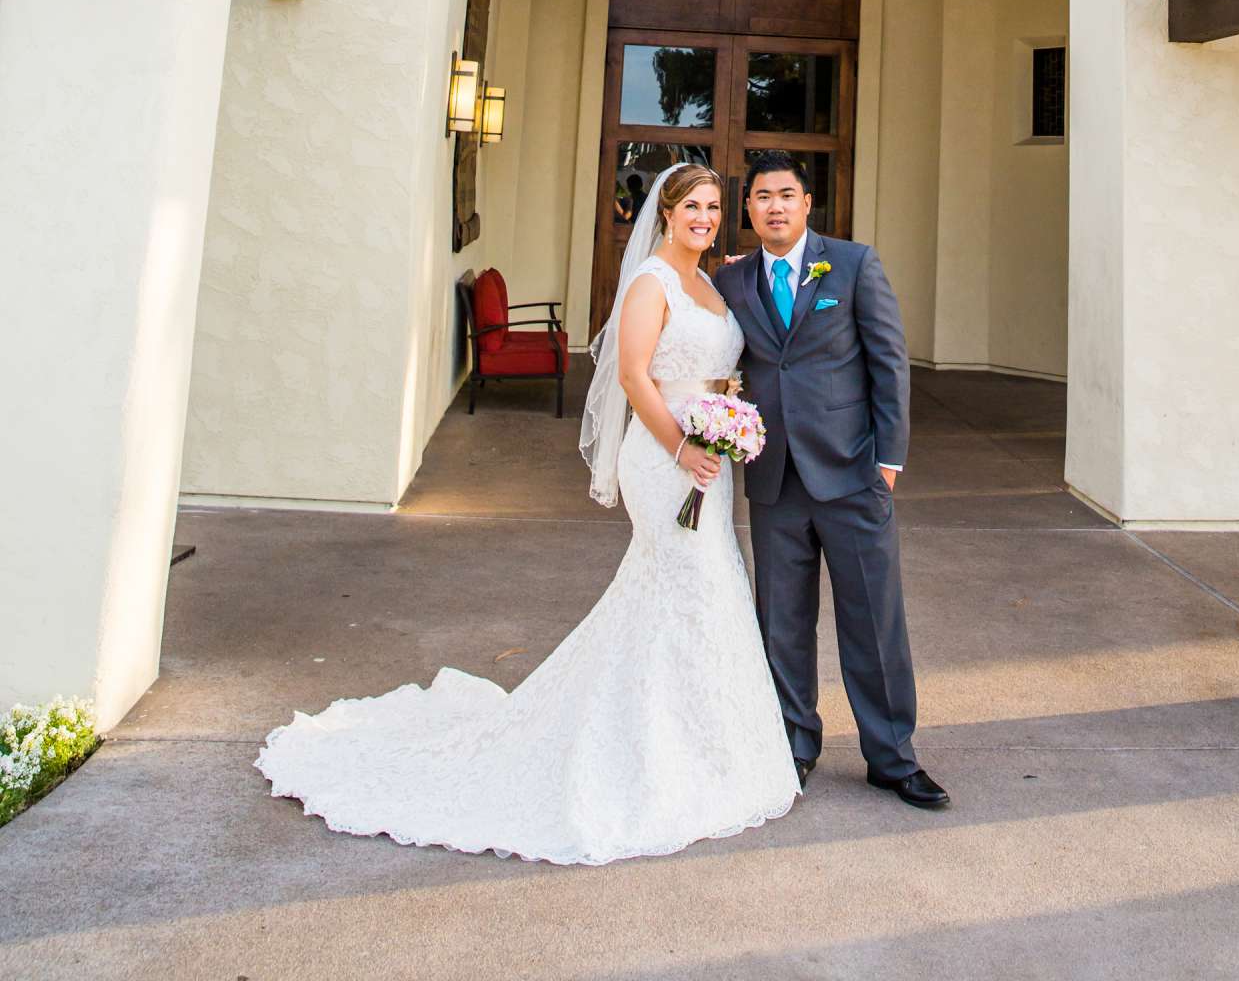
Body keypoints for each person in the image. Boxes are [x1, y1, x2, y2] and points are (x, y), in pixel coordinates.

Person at [256, 162, 797, 863]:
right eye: (692, 205)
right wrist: (683, 447)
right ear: (664, 213)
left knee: (705, 585)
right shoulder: (653, 282)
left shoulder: (711, 283)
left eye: (714, 207)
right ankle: (659, 755)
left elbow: (719, 368)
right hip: (666, 461)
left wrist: (726, 422)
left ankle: (705, 743)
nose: (704, 217)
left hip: (709, 463)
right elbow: (634, 374)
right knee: (690, 583)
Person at [714, 149, 949, 809]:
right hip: (774, 480)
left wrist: (888, 461)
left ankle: (893, 757)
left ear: (807, 203)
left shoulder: (852, 264)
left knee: (873, 621)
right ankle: (793, 746)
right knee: (781, 624)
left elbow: (889, 364)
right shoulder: (731, 284)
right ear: (750, 210)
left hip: (851, 473)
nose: (775, 206)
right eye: (762, 197)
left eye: (786, 194)